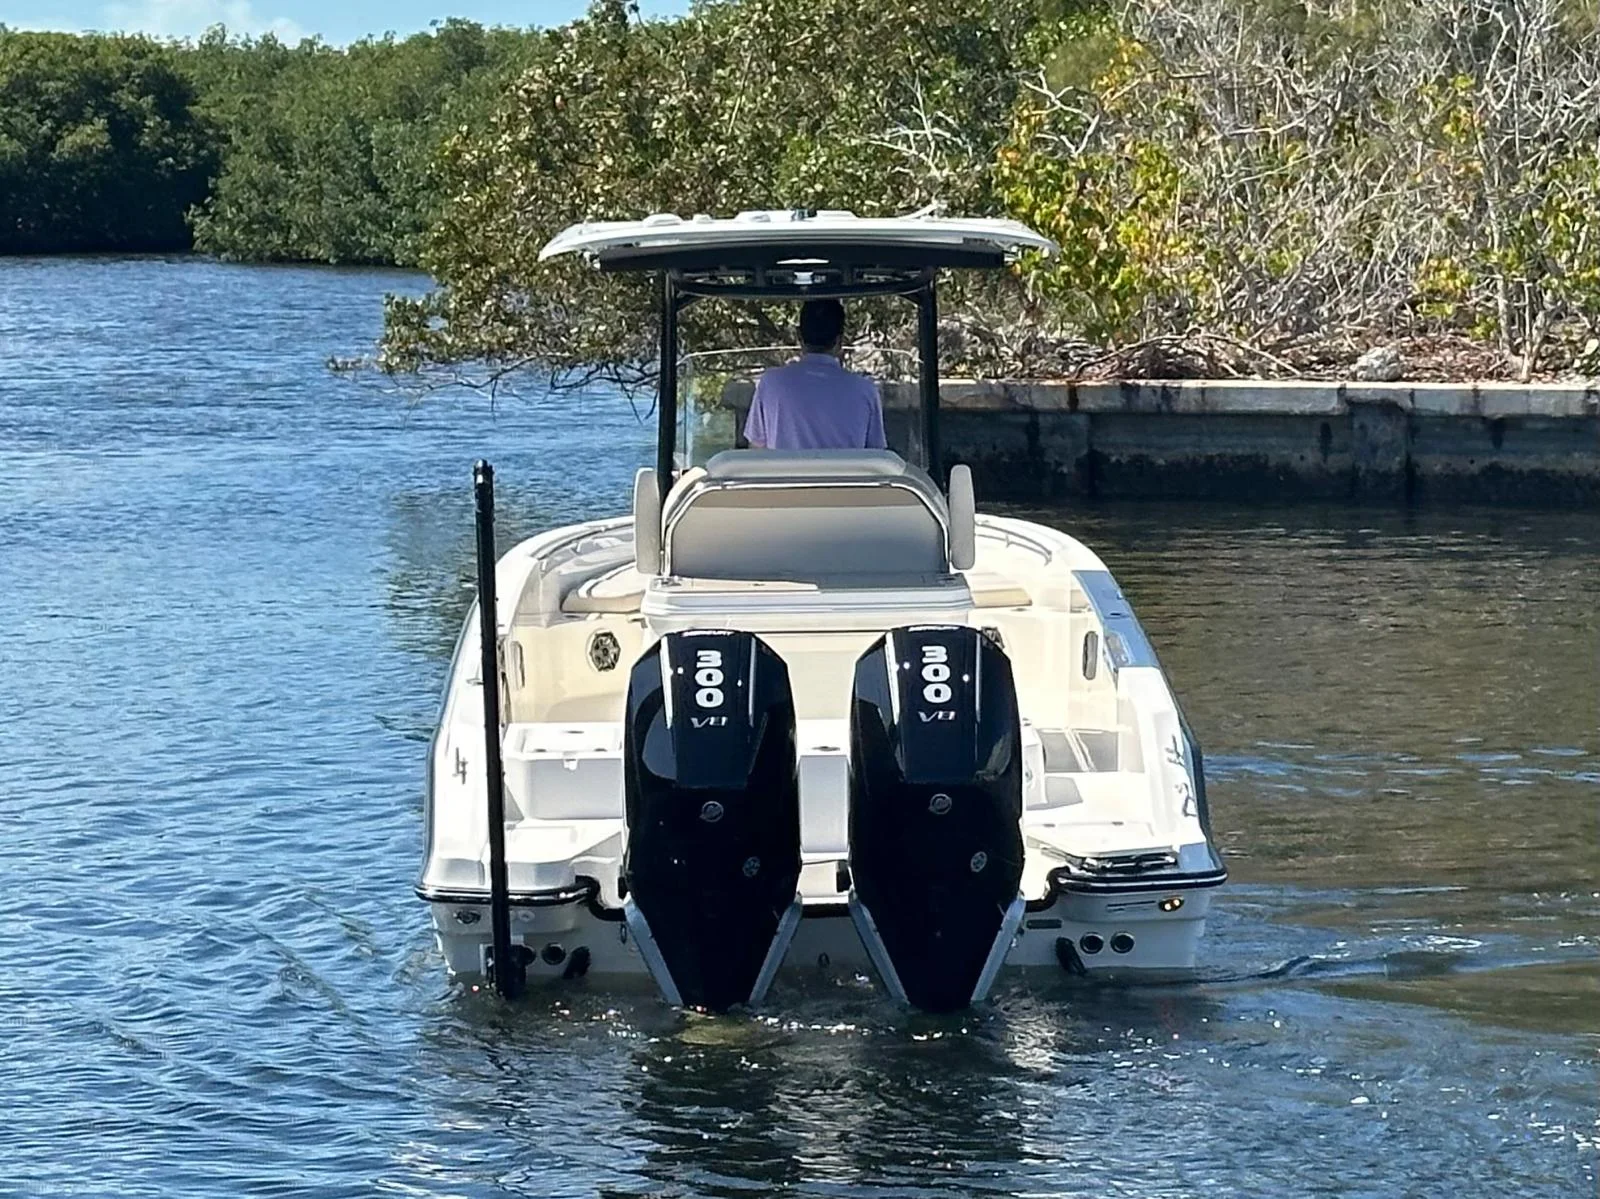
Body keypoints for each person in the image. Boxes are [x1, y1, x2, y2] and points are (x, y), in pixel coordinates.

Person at [743, 298, 887, 450]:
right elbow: (876, 456)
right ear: (840, 341)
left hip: (785, 475)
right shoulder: (865, 391)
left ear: (799, 336)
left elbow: (757, 449)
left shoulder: (770, 384)